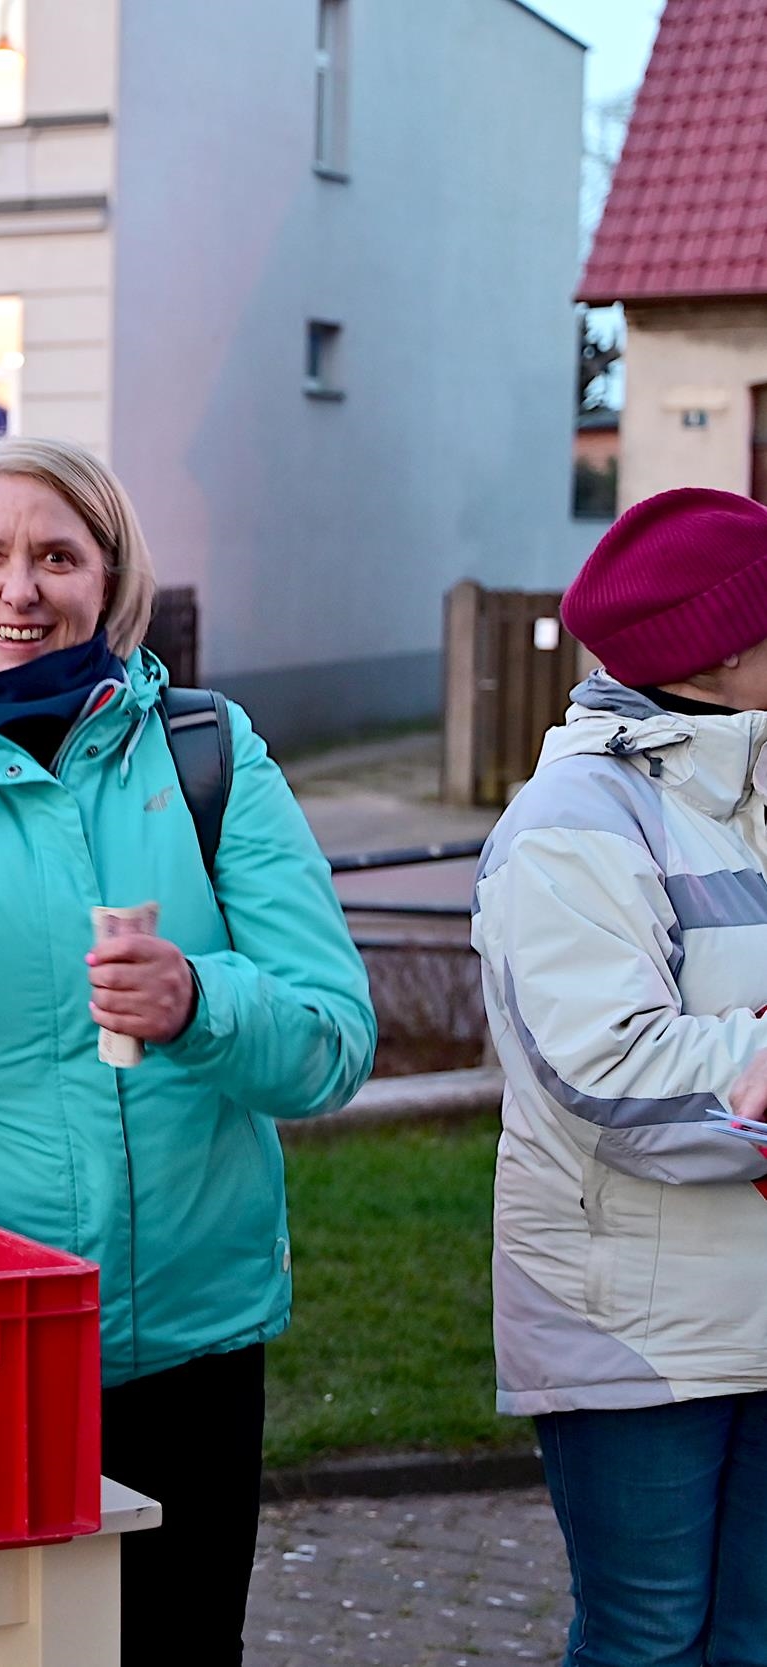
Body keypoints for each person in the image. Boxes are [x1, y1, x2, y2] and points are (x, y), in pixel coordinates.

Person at [0, 437, 374, 1663]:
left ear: (109, 577)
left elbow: (331, 1041)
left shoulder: (207, 751)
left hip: (188, 1345)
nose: (20, 590)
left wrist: (200, 999)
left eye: (57, 556)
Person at [473, 487, 767, 1666]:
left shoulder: (749, 789)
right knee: (648, 1636)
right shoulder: (574, 819)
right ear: (729, 646)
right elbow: (614, 1073)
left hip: (749, 1297)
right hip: (632, 1328)